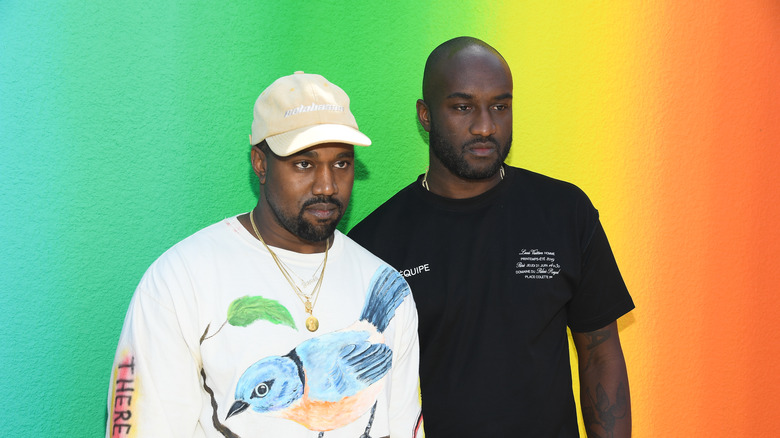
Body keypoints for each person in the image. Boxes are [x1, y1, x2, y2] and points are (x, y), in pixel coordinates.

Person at [106, 71, 423, 438]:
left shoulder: (386, 285)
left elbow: (402, 424)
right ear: (260, 163)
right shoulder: (181, 280)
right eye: (304, 163)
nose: (327, 185)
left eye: (342, 162)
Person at [348, 37, 635, 437]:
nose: (485, 126)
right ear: (425, 115)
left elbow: (600, 353)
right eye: (463, 107)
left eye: (500, 106)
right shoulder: (374, 244)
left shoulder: (565, 211)